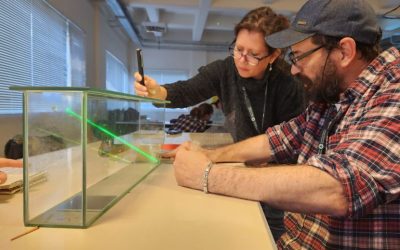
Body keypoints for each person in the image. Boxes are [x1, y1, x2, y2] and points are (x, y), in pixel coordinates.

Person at [171, 0, 400, 249]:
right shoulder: (333, 98)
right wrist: (210, 156)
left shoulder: (393, 91)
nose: (292, 69)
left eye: (300, 56)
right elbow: (278, 138)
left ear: (344, 51)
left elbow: (337, 189)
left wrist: (206, 175)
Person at [135, 7, 306, 239]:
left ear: (274, 56)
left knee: (272, 235)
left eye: (253, 54)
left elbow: (293, 143)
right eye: (238, 49)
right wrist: (158, 91)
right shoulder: (226, 70)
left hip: (277, 177)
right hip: (242, 166)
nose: (242, 60)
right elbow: (187, 90)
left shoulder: (289, 83)